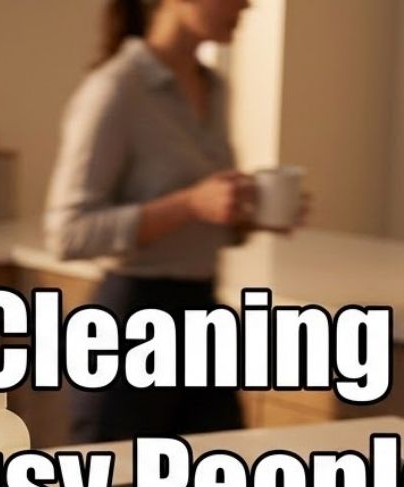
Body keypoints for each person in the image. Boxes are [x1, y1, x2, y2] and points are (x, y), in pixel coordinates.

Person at [45, 0, 306, 443]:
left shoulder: (215, 88)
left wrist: (249, 213)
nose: (246, 4)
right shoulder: (117, 89)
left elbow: (203, 217)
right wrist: (189, 204)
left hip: (202, 316)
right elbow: (67, 232)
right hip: (130, 329)